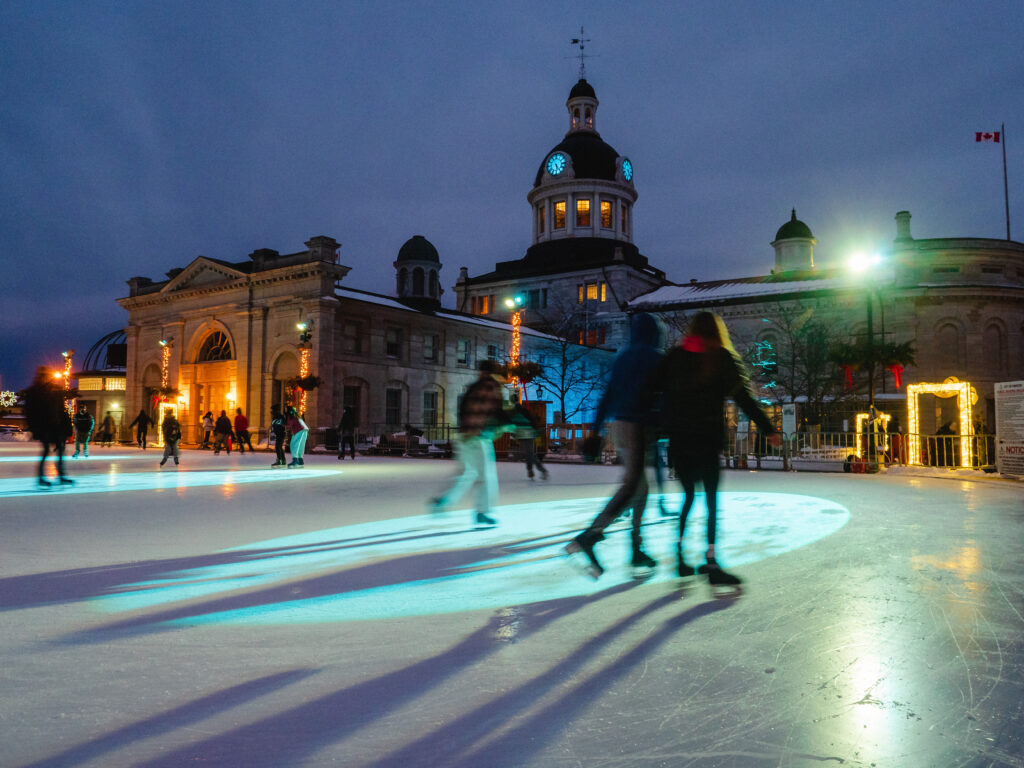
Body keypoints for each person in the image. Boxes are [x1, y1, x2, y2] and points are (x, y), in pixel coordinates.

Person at [649, 311, 780, 586]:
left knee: (687, 498)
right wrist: (768, 428)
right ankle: (711, 560)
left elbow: (654, 391)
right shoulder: (721, 358)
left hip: (681, 441)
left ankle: (680, 555)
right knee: (710, 500)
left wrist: (658, 427)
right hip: (706, 439)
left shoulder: (675, 358)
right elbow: (743, 398)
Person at [565, 313, 664, 578]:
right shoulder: (655, 358)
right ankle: (591, 535)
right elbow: (662, 398)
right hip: (638, 426)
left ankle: (635, 548)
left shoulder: (622, 357)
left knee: (640, 488)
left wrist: (596, 433)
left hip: (619, 426)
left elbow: (606, 395)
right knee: (633, 485)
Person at [431, 359, 512, 527]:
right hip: (478, 436)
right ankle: (482, 512)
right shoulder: (491, 386)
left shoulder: (473, 387)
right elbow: (496, 411)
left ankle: (444, 501)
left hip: (463, 436)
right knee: (486, 476)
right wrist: (507, 422)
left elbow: (462, 411)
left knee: (466, 473)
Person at [22, 367, 73, 487]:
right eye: (45, 375)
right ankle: (41, 477)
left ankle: (60, 475)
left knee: (60, 450)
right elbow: (29, 412)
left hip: (56, 426)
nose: (47, 377)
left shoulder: (54, 390)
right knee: (46, 451)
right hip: (44, 427)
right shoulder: (35, 391)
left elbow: (62, 410)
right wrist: (34, 428)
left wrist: (67, 426)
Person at [510, 393, 547, 480]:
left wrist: (514, 434)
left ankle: (535, 470)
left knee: (528, 454)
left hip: (523, 434)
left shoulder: (514, 411)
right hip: (529, 433)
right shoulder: (524, 410)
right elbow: (531, 421)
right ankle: (534, 470)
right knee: (529, 454)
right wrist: (535, 431)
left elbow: (514, 423)